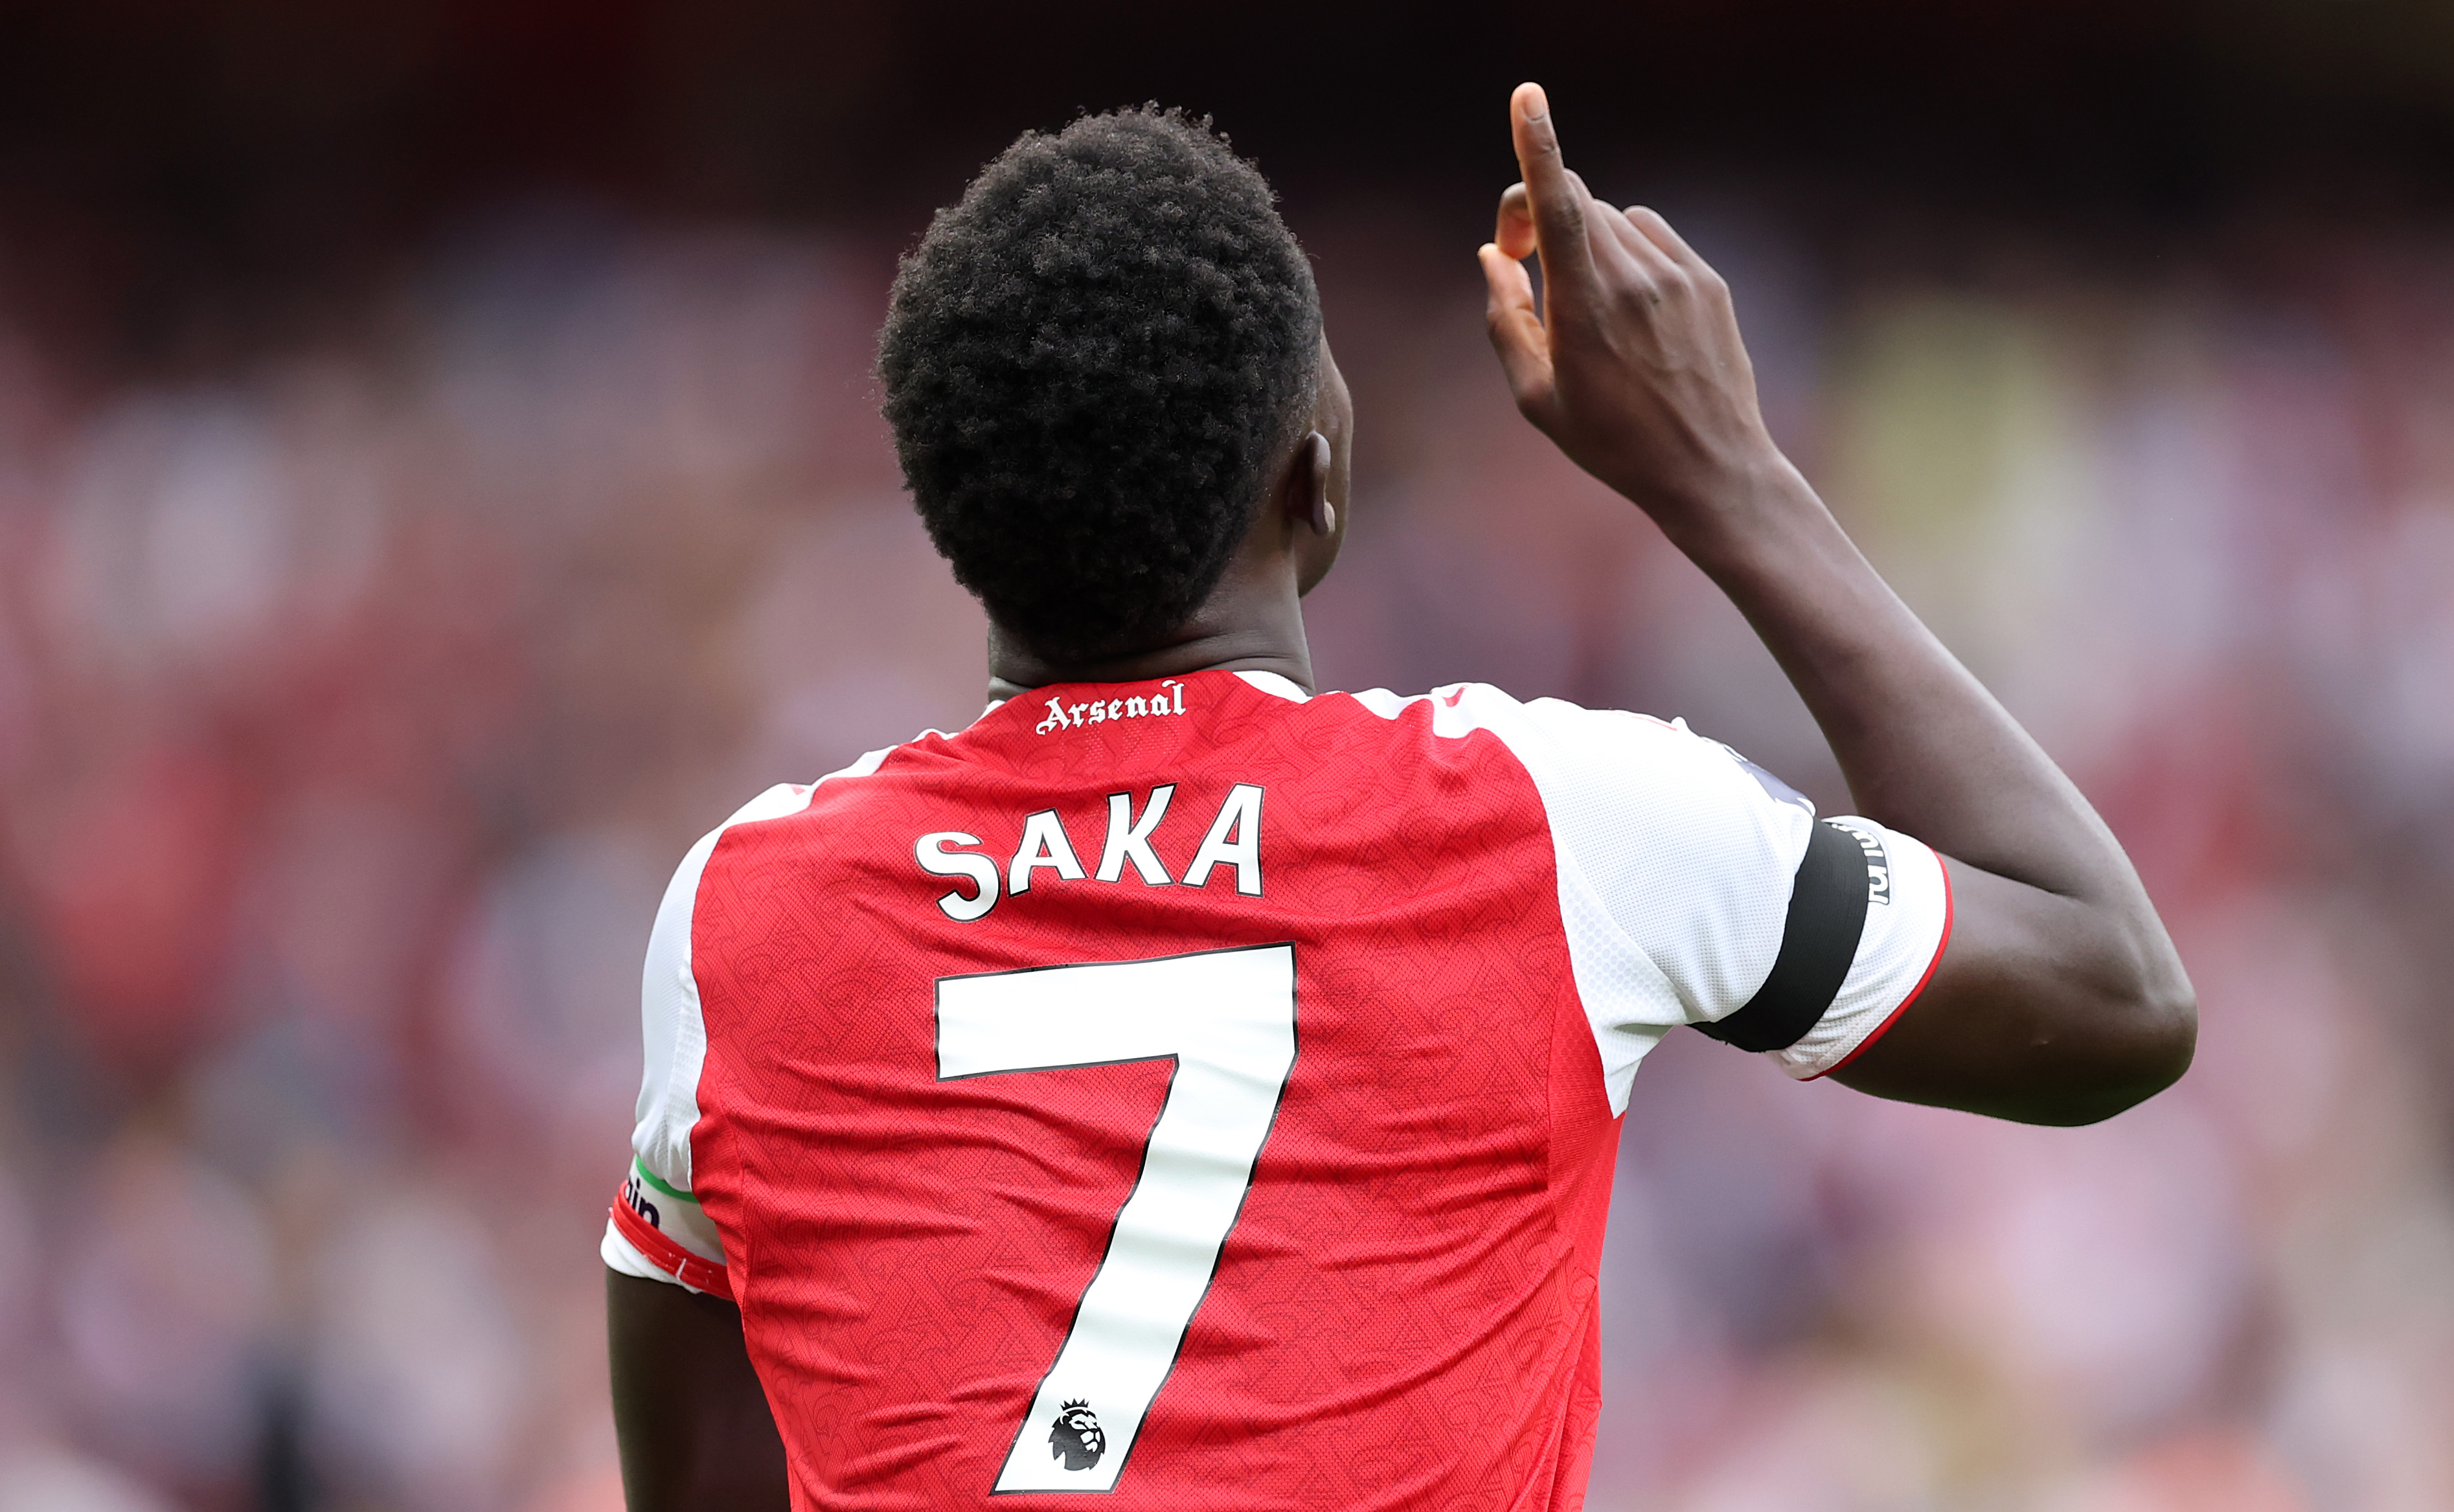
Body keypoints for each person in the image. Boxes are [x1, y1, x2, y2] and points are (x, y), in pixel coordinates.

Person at [602, 85, 2196, 1512]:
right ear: (1317, 480)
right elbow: (2107, 990)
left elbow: (716, 1458)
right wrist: (1725, 477)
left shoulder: (744, 912)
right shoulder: (1551, 816)